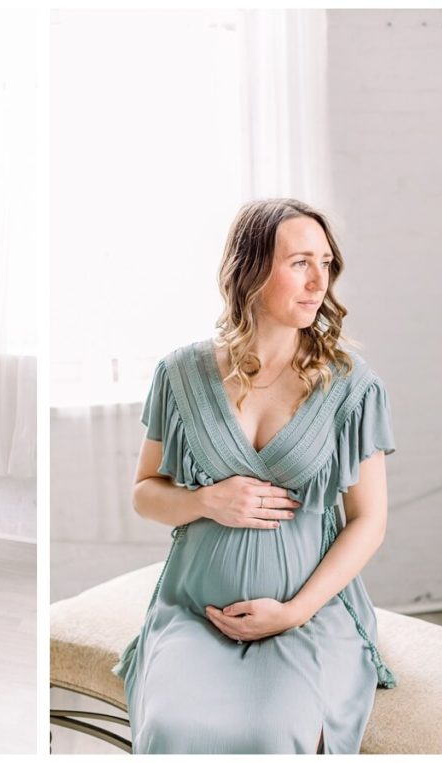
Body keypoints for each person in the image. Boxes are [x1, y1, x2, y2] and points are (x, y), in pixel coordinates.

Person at [113, 199, 396, 753]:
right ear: (250, 271)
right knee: (172, 728)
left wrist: (294, 611)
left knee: (273, 733)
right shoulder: (181, 373)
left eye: (326, 262)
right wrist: (208, 501)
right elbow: (145, 493)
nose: (319, 280)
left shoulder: (350, 385)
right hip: (195, 609)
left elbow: (369, 521)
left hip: (308, 614)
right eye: (299, 263)